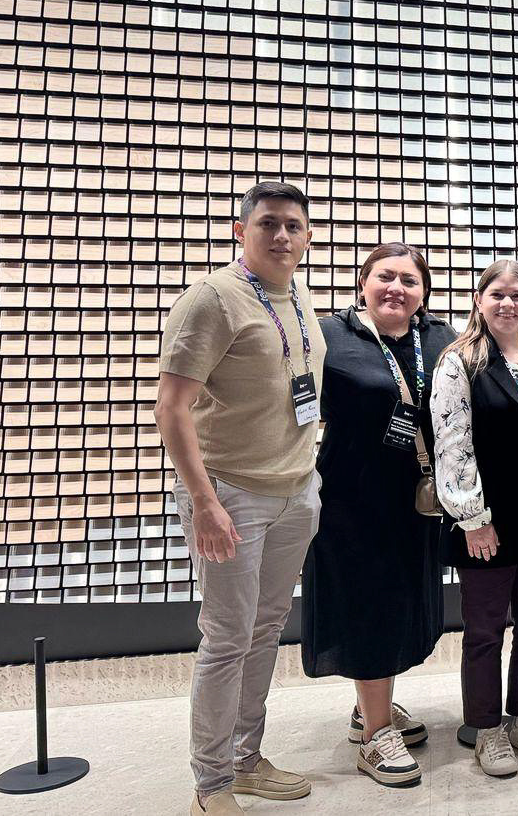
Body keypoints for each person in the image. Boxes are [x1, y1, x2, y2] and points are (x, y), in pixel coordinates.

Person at [155, 182, 324, 816]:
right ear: (240, 231)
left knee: (265, 631)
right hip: (230, 494)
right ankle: (211, 784)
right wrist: (204, 503)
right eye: (268, 223)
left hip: (294, 492)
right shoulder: (211, 298)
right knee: (227, 639)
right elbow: (171, 408)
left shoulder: (298, 296)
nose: (281, 236)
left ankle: (246, 759)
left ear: (307, 237)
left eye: (293, 226)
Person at [300, 243, 457, 787]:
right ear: (363, 281)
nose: (397, 288)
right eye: (385, 276)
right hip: (352, 498)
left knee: (399, 604)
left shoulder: (438, 337)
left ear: (424, 291)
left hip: (415, 498)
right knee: (367, 606)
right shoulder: (329, 336)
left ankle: (371, 707)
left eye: (410, 281)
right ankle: (375, 736)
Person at [431, 260, 518, 778]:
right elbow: (452, 443)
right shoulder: (460, 361)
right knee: (486, 629)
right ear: (479, 300)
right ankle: (487, 728)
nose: (507, 303)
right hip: (491, 512)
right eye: (497, 294)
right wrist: (473, 517)